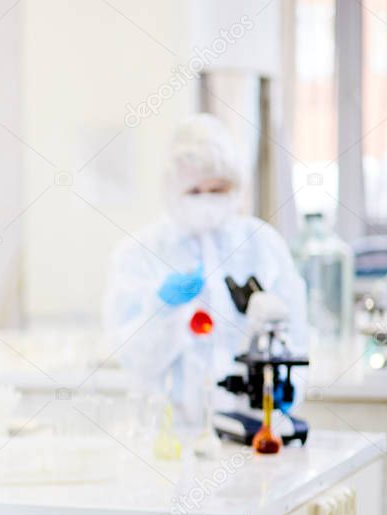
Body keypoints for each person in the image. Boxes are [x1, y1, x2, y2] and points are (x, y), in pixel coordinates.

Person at [102, 113, 307, 427]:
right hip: (170, 435)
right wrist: (164, 313)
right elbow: (135, 362)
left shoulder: (262, 244)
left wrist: (287, 388)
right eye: (195, 191)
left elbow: (297, 336)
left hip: (253, 425)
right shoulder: (139, 253)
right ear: (173, 189)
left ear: (236, 187)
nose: (207, 199)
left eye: (218, 189)